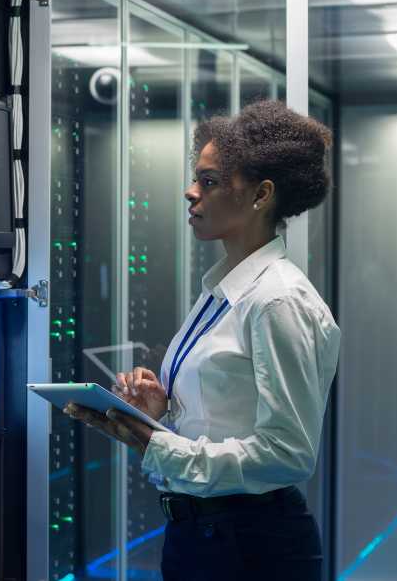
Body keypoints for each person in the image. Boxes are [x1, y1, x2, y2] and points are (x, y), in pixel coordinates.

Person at [65, 100, 340, 581]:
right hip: (201, 536)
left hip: (251, 547)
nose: (190, 193)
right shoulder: (224, 289)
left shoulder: (277, 300)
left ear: (261, 196)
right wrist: (161, 414)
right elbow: (223, 418)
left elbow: (288, 454)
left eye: (209, 182)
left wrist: (160, 446)